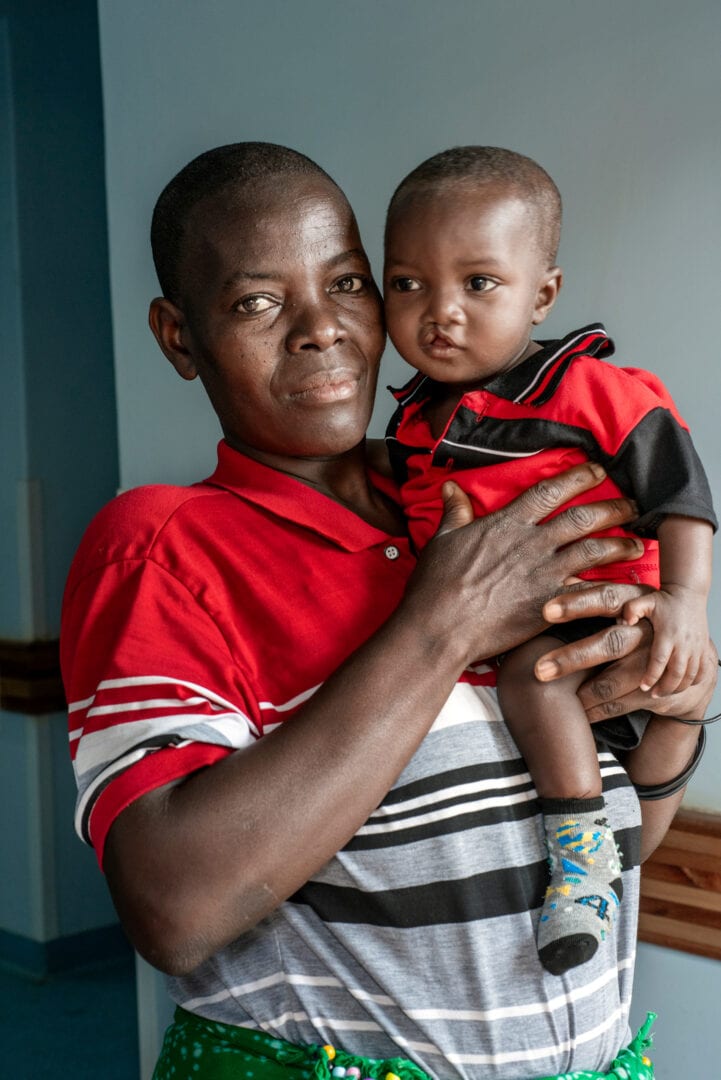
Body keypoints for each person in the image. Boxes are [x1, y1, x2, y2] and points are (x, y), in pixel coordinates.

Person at [60, 143, 716, 1080]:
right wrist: (441, 626)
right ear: (178, 336)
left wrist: (676, 705)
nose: (320, 329)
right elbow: (175, 910)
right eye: (257, 302)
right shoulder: (164, 544)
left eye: (349, 284)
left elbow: (615, 844)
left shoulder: (479, 500)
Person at [382, 146, 716, 976]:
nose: (440, 312)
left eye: (478, 283)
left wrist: (684, 600)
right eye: (406, 283)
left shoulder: (588, 390)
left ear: (543, 295)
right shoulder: (413, 428)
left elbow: (681, 491)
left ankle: (579, 863)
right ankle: (608, 845)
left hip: (606, 613)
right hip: (501, 642)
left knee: (539, 676)